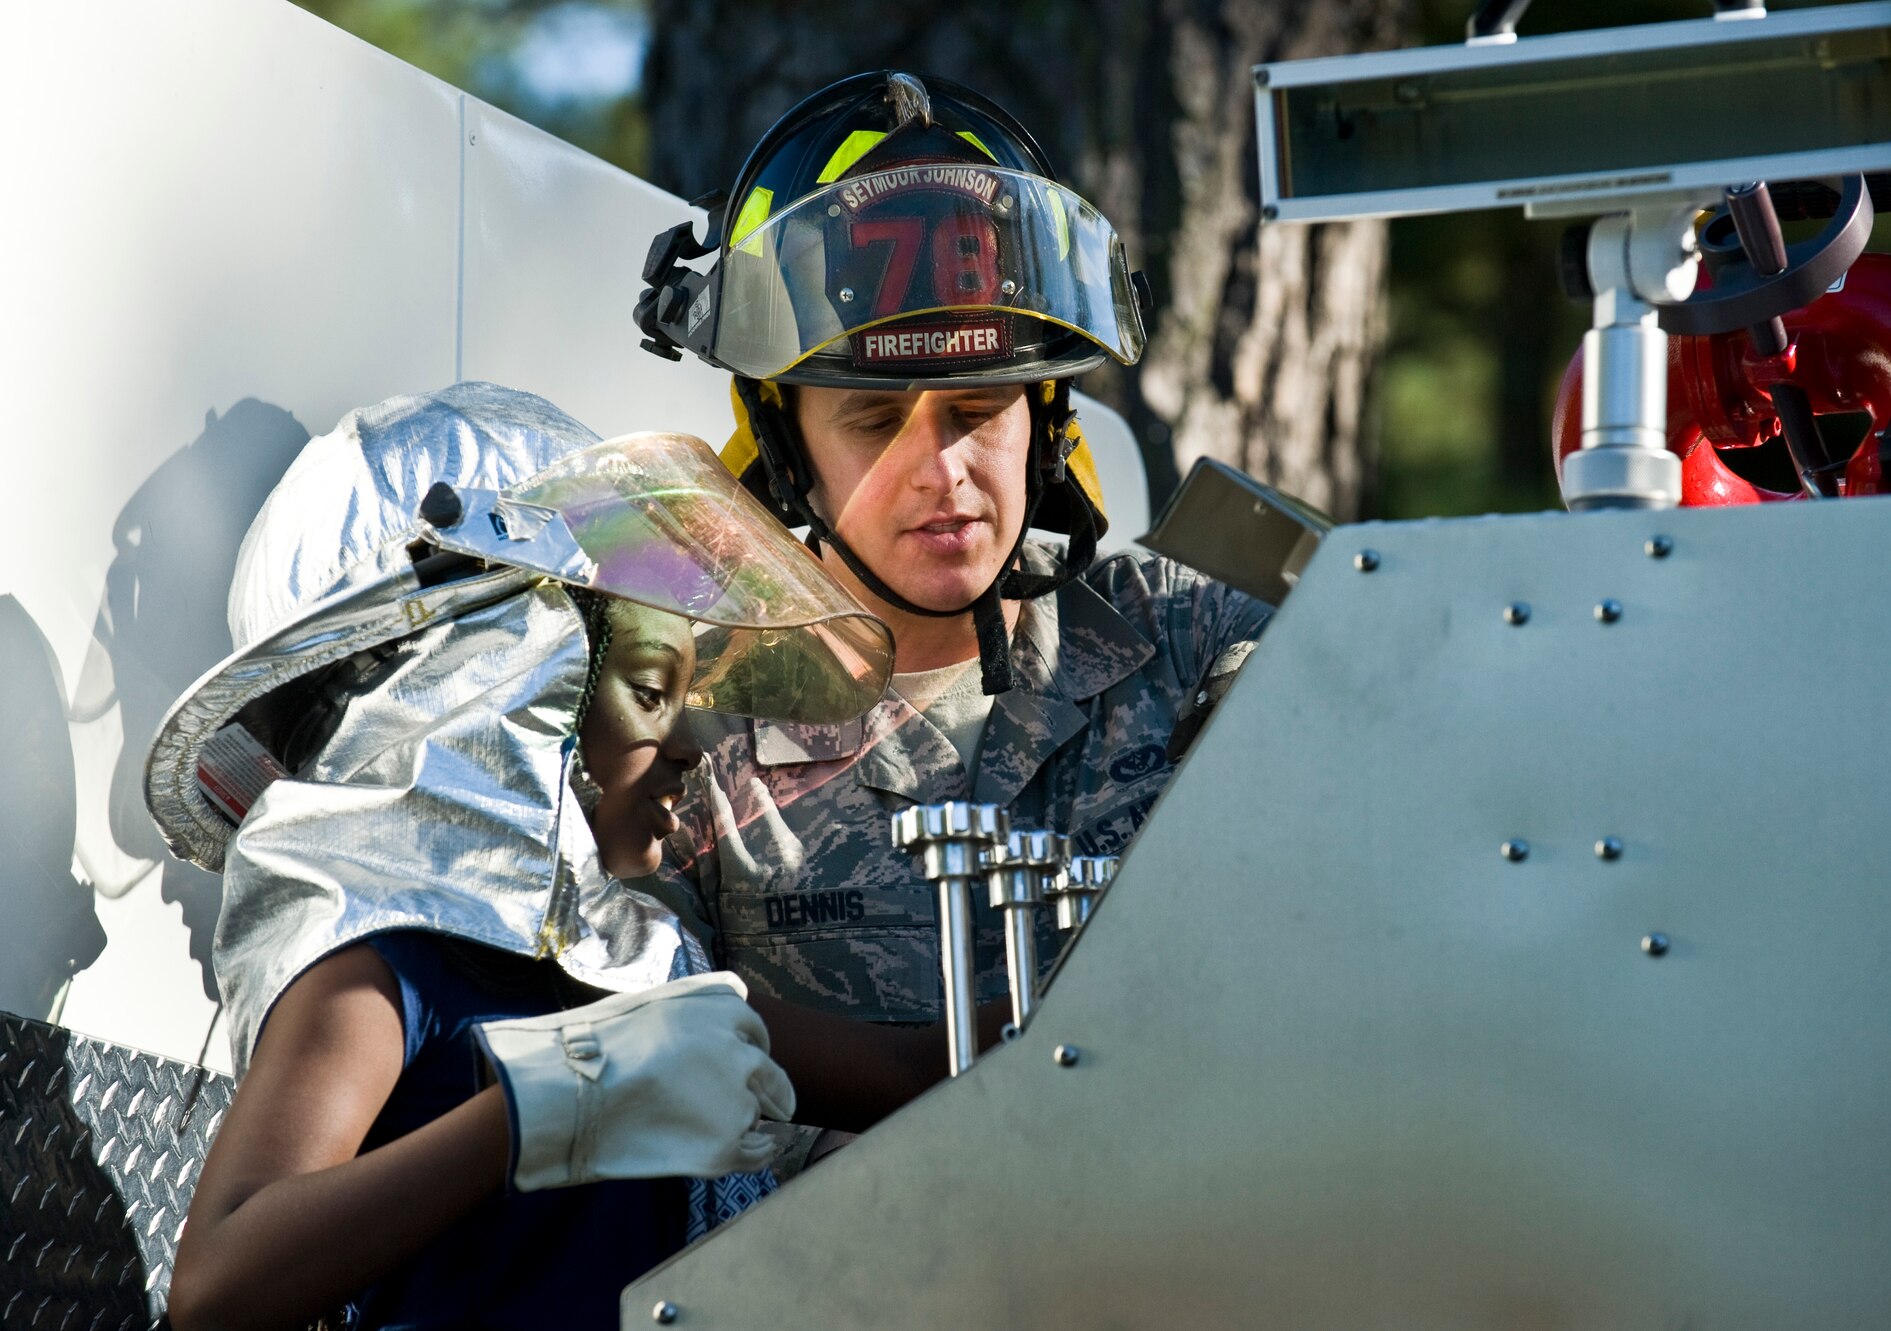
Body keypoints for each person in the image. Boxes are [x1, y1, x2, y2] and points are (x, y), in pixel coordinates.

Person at [145, 384, 976, 1331]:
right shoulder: (384, 965)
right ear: (505, 687)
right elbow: (216, 1282)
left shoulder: (644, 974)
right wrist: (549, 1101)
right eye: (652, 690)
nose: (693, 745)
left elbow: (918, 1069)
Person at [632, 75, 1269, 1036]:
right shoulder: (686, 728)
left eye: (978, 410)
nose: (943, 472)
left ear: (1045, 422)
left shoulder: (1193, 641)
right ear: (785, 444)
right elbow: (648, 1057)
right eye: (874, 421)